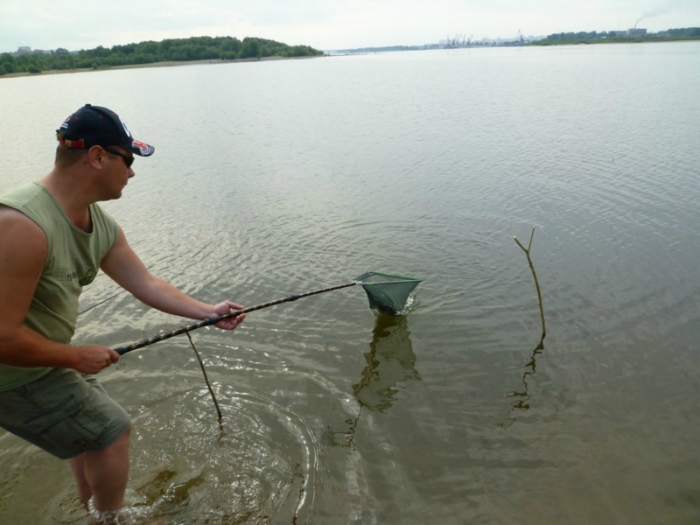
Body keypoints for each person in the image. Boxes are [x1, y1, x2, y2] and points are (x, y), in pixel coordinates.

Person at [0, 104, 245, 520]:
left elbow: (146, 283)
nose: (131, 172)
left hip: (42, 362)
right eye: (127, 160)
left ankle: (89, 510)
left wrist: (208, 311)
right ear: (97, 157)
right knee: (112, 430)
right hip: (11, 374)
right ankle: (112, 519)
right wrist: (76, 357)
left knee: (87, 438)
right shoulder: (21, 226)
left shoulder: (100, 223)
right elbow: (2, 337)